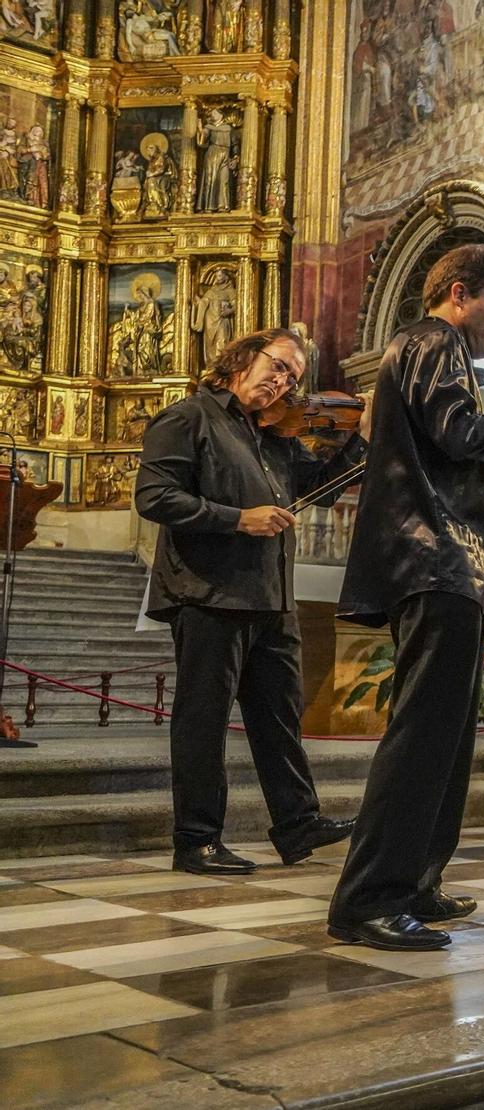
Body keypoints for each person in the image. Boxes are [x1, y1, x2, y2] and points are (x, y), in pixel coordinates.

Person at [328, 245, 484, 952]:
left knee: (448, 739)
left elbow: (455, 462)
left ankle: (413, 881)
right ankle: (368, 898)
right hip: (432, 559)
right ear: (460, 293)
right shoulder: (432, 341)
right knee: (421, 737)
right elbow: (465, 433)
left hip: (452, 561)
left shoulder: (436, 353)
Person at [134, 327, 371, 876]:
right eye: (279, 366)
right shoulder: (188, 418)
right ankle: (196, 839)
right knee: (203, 720)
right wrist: (239, 518)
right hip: (208, 593)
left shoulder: (277, 439)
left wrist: (362, 436)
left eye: (293, 376)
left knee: (278, 718)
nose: (285, 381)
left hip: (269, 598)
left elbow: (328, 488)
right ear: (243, 358)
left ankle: (297, 823)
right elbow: (154, 497)